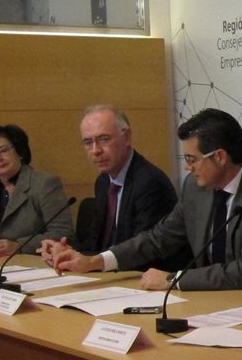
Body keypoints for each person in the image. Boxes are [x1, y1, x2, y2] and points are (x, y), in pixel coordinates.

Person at [45, 108, 242, 290]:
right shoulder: (194, 187)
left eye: (191, 159)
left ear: (220, 157)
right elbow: (159, 238)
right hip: (206, 300)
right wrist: (96, 261)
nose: (187, 167)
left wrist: (173, 279)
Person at [67, 105, 178, 255]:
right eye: (88, 142)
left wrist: (90, 261)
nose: (95, 150)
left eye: (104, 139)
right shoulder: (103, 182)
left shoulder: (150, 183)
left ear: (126, 137)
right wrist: (69, 253)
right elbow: (95, 242)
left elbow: (141, 251)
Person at [0, 123, 72, 255]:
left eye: (4, 150)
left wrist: (19, 246)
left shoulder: (44, 183)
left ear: (20, 152)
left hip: (32, 261)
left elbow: (63, 233)